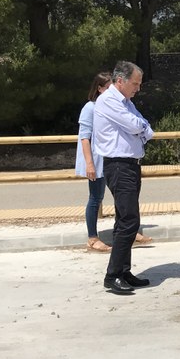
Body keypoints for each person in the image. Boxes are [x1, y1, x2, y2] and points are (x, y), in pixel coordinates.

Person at [93, 61, 154, 295]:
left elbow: (145, 127)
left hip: (130, 165)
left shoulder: (126, 102)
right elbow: (134, 125)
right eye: (135, 84)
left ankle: (124, 271)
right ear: (121, 81)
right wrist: (141, 128)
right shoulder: (108, 101)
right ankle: (112, 275)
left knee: (125, 220)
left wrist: (141, 128)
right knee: (129, 220)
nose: (138, 88)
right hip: (119, 165)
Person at [75, 72, 113, 253]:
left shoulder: (111, 106)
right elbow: (84, 137)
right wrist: (90, 164)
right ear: (99, 89)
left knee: (122, 196)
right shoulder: (90, 108)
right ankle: (92, 237)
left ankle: (127, 231)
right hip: (96, 160)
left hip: (110, 158)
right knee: (96, 198)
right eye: (108, 88)